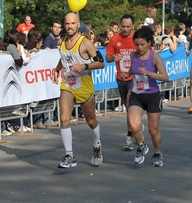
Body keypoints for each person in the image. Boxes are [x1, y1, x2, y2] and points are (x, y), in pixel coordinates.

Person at [51, 12, 105, 168]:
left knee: (91, 120)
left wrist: (84, 66)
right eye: (67, 24)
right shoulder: (62, 41)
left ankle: (97, 145)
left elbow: (101, 63)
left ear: (78, 24)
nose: (69, 26)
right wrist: (56, 70)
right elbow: (64, 57)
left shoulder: (85, 42)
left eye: (72, 23)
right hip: (68, 84)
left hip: (84, 85)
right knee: (64, 118)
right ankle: (69, 155)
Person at [125, 26, 169, 166]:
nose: (139, 47)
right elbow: (132, 69)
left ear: (149, 42)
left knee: (153, 130)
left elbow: (165, 77)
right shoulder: (133, 56)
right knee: (133, 125)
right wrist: (127, 74)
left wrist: (149, 73)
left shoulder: (154, 57)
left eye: (142, 44)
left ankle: (157, 153)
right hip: (136, 95)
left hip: (152, 96)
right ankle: (142, 145)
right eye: (137, 44)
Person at [106, 14, 137, 151]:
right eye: (123, 26)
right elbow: (107, 58)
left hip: (135, 78)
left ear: (133, 26)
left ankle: (129, 136)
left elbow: (149, 53)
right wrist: (114, 57)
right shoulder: (115, 39)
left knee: (130, 106)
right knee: (127, 105)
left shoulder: (138, 38)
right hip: (121, 77)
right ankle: (136, 126)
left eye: (128, 27)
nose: (125, 29)